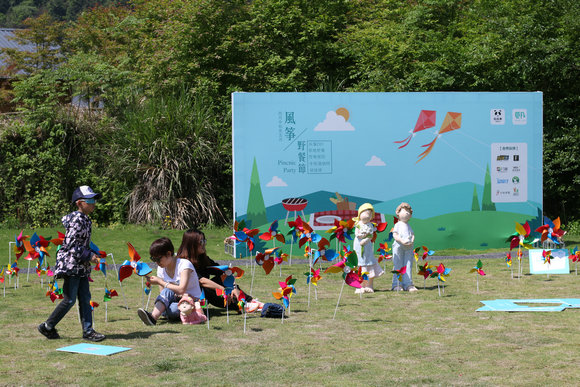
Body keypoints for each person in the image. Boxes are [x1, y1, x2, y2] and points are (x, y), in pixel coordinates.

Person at [38, 185, 106, 341]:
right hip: (71, 265)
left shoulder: (85, 219)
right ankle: (47, 326)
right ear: (79, 203)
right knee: (69, 299)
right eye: (89, 200)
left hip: (80, 266)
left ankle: (88, 331)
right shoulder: (77, 219)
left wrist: (91, 254)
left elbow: (81, 244)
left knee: (84, 297)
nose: (93, 203)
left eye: (94, 199)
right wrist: (90, 256)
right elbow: (71, 244)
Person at [176, 229, 263, 313]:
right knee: (207, 287)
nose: (204, 244)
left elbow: (222, 271)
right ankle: (241, 306)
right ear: (192, 244)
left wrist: (233, 287)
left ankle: (249, 301)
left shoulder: (202, 258)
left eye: (204, 241)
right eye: (201, 242)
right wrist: (224, 290)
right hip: (191, 296)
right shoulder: (185, 262)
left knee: (222, 279)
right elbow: (201, 281)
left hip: (205, 292)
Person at [137, 237, 204, 325]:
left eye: (158, 259)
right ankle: (153, 317)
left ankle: (155, 314)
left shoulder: (184, 265)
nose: (156, 263)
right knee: (168, 301)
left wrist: (160, 282)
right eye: (153, 260)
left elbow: (181, 290)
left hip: (191, 302)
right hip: (175, 301)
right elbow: (163, 293)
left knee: (172, 310)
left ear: (168, 254)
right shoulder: (161, 269)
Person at [353, 203, 384, 293]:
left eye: (370, 214)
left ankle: (369, 285)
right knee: (360, 263)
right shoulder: (358, 224)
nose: (368, 216)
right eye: (366, 213)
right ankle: (360, 285)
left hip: (367, 247)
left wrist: (366, 239)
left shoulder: (370, 225)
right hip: (358, 247)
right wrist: (360, 235)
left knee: (368, 263)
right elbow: (357, 233)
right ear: (360, 214)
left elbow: (370, 236)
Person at [391, 202, 417, 292]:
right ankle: (397, 284)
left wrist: (412, 241)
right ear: (398, 213)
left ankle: (408, 284)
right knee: (398, 265)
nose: (406, 213)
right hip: (399, 247)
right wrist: (401, 241)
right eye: (404, 210)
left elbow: (412, 234)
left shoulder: (408, 225)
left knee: (408, 265)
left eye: (408, 211)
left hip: (408, 248)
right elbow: (395, 235)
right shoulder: (398, 225)